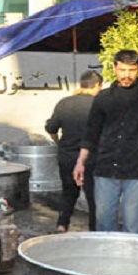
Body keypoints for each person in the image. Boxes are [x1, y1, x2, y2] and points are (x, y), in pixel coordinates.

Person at [73, 50, 138, 233]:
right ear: (114, 68)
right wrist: (80, 162)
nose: (126, 75)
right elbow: (91, 133)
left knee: (133, 226)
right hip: (106, 168)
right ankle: (108, 259)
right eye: (122, 70)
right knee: (104, 223)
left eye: (131, 70)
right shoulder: (103, 98)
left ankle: (132, 259)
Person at [45, 70, 103, 233]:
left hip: (67, 156)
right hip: (92, 157)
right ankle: (94, 230)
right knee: (93, 197)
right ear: (97, 85)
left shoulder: (64, 103)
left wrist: (59, 142)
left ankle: (62, 225)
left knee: (68, 192)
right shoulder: (98, 104)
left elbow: (51, 128)